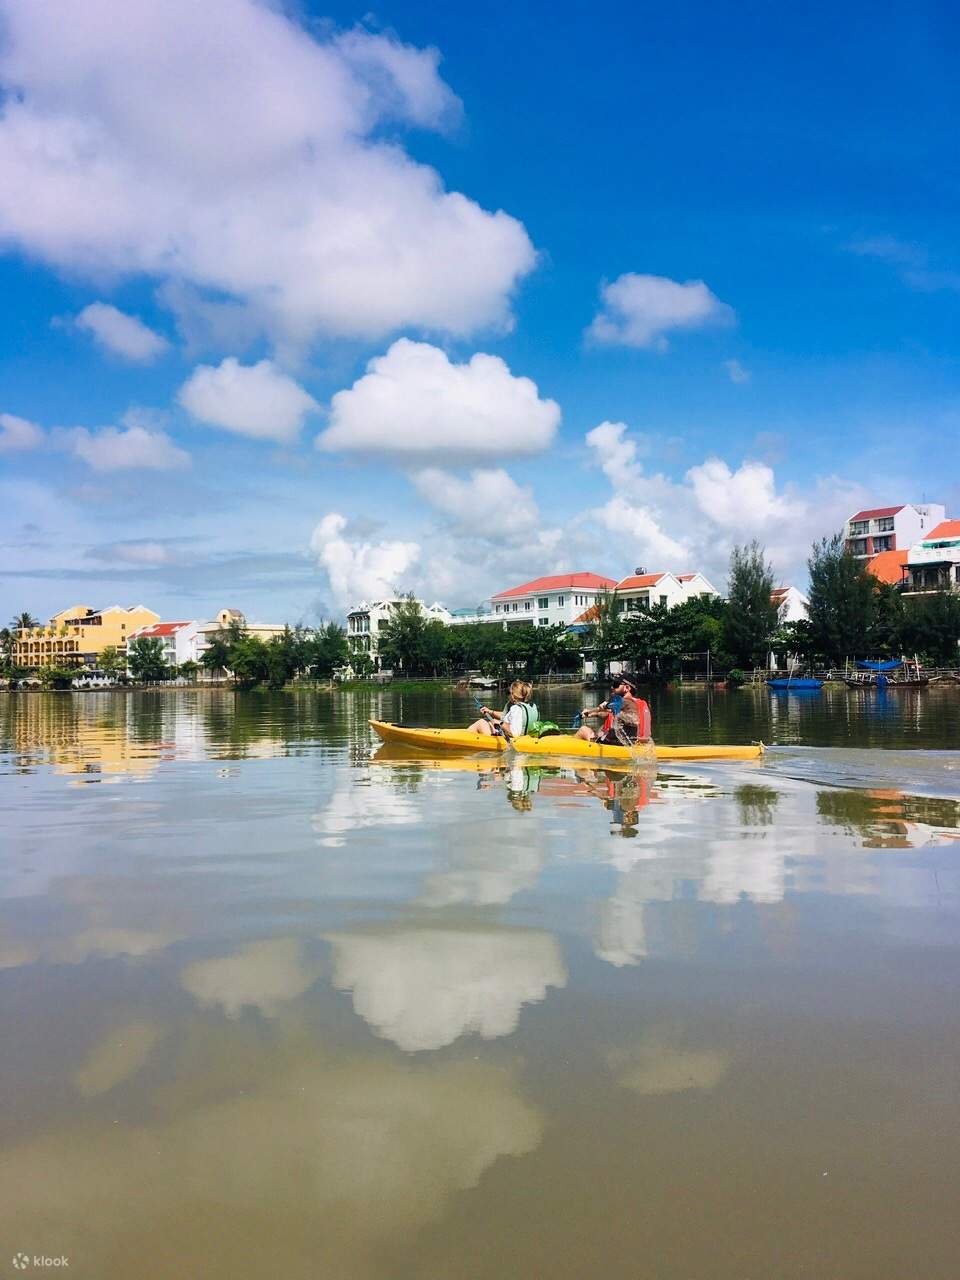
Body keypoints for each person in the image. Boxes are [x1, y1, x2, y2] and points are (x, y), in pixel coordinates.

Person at [575, 677, 652, 745]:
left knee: (583, 730)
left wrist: (606, 705)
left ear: (627, 688)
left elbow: (631, 718)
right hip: (638, 742)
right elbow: (610, 714)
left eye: (616, 684)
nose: (612, 687)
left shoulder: (624, 702)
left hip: (615, 743)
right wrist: (591, 713)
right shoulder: (639, 703)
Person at [467, 680, 538, 739]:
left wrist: (500, 723)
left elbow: (515, 733)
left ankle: (465, 739)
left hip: (512, 739)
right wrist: (490, 712)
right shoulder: (530, 706)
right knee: (488, 723)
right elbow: (507, 717)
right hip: (526, 737)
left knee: (481, 722)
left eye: (509, 693)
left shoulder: (516, 708)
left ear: (513, 695)